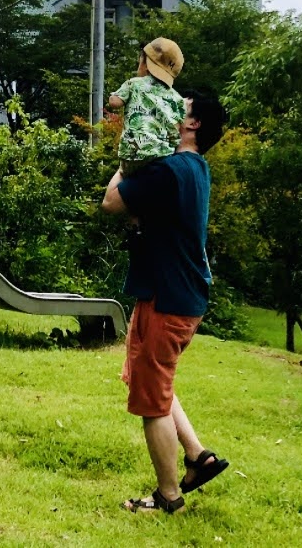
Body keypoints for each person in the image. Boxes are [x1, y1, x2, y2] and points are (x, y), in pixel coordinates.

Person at [101, 93, 230, 514]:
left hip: (166, 301)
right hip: (179, 296)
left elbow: (112, 202)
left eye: (183, 107)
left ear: (192, 125)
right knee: (151, 381)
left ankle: (167, 497)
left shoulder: (171, 170)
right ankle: (197, 457)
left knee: (152, 401)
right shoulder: (196, 168)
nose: (172, 110)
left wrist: (128, 156)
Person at [108, 38, 187, 178]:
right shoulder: (177, 98)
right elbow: (176, 129)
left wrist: (114, 96)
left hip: (133, 155)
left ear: (145, 62)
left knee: (124, 177)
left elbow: (115, 103)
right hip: (163, 158)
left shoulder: (134, 84)